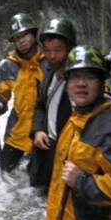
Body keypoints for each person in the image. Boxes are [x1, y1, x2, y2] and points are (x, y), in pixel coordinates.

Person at [46, 45, 111, 220]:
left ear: (101, 82)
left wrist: (80, 180)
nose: (81, 83)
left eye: (90, 77)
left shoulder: (107, 127)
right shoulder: (81, 113)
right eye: (75, 77)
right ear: (67, 83)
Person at [0, 13, 45, 172]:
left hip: (42, 132)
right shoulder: (8, 66)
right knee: (4, 173)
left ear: (34, 34)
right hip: (17, 131)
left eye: (25, 35)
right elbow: (1, 94)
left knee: (37, 180)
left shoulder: (48, 62)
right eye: (17, 38)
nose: (21, 41)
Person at [28, 18, 76, 190]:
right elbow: (40, 105)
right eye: (47, 51)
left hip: (67, 153)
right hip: (47, 146)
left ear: (70, 49)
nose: (52, 56)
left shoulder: (78, 83)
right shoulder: (49, 73)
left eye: (58, 50)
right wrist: (38, 130)